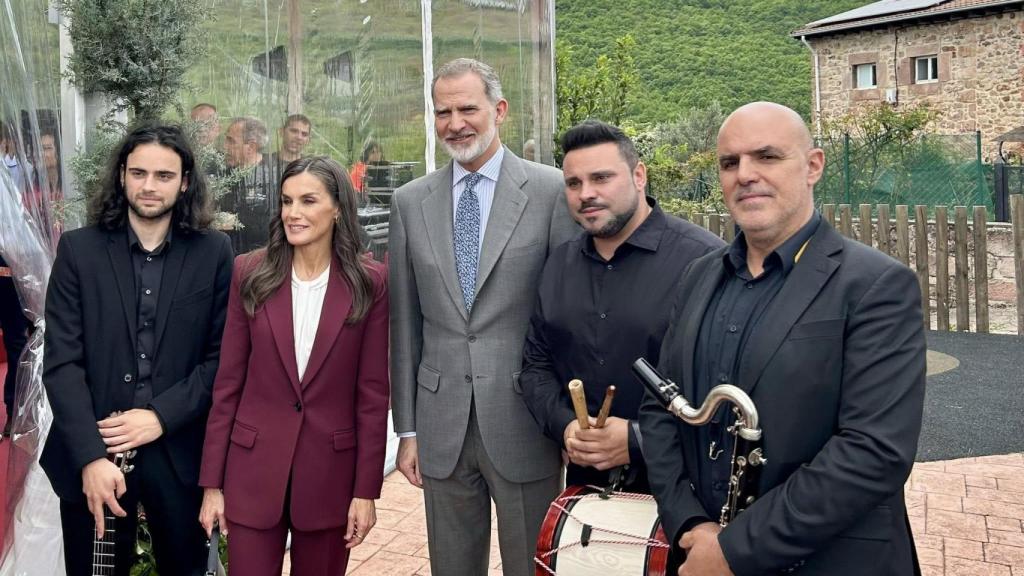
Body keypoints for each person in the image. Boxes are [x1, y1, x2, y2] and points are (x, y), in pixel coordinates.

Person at [639, 102, 926, 576]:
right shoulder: (697, 276)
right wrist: (688, 522)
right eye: (729, 163)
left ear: (813, 166)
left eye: (766, 157)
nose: (744, 174)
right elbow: (661, 408)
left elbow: (873, 451)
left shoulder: (877, 285)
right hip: (702, 551)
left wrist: (734, 551)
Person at [388, 58, 577, 576]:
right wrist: (407, 430)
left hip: (525, 420)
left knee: (531, 566)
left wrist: (565, 418)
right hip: (439, 423)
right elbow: (404, 325)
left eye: (467, 108)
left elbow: (566, 316)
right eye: (442, 112)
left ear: (499, 110)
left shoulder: (551, 191)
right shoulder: (410, 203)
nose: (455, 123)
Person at [41, 124, 234, 576]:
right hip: (96, 453)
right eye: (139, 173)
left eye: (164, 176)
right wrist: (89, 455)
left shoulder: (214, 252)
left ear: (184, 181)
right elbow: (62, 364)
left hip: (180, 456)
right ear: (122, 176)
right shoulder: (78, 251)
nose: (149, 186)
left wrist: (159, 417)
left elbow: (221, 359)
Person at [199, 156, 389, 575]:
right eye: (286, 201)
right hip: (251, 473)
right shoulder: (249, 272)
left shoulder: (369, 282)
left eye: (308, 200)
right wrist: (213, 484)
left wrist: (365, 490)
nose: (293, 213)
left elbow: (373, 395)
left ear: (338, 207)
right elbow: (227, 383)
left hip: (330, 477)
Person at [520, 120, 722, 492]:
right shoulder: (558, 266)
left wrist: (636, 438)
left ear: (639, 175)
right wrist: (565, 425)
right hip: (588, 492)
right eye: (574, 183)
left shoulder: (705, 262)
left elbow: (727, 383)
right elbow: (535, 366)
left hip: (685, 492)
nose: (586, 194)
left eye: (601, 178)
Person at [220, 116, 278, 253]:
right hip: (228, 256)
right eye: (226, 139)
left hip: (264, 258)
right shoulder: (222, 174)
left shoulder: (274, 176)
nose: (224, 146)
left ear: (251, 147)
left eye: (231, 141)